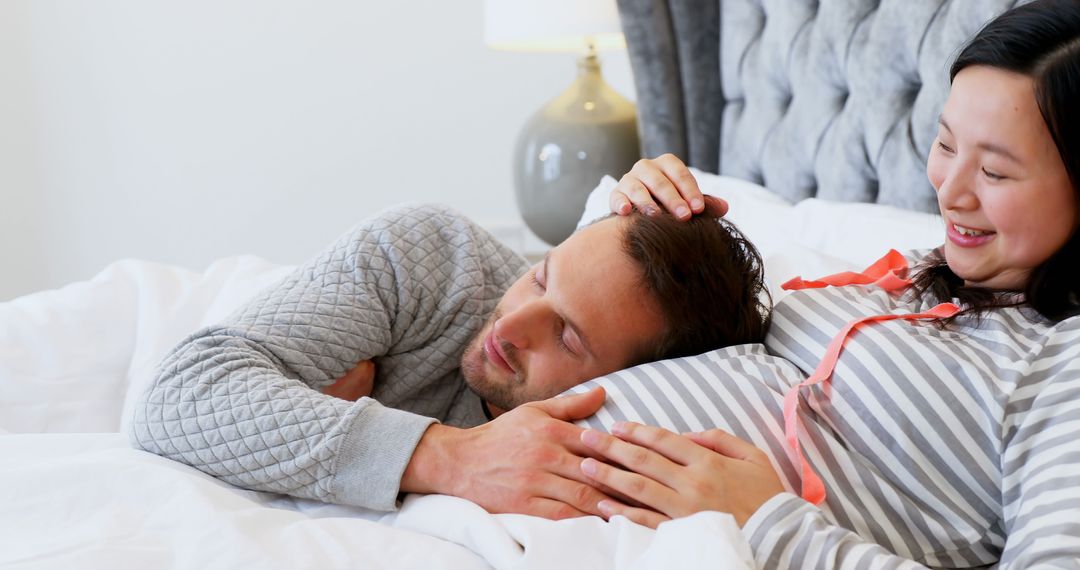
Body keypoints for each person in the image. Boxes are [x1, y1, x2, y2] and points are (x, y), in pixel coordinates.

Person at [577, 0, 1080, 566]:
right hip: (512, 447)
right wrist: (641, 225)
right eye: (945, 145)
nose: (951, 191)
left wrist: (768, 523)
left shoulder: (1064, 359)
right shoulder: (910, 275)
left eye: (994, 171)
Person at [128, 201, 771, 520]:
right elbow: (176, 397)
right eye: (541, 278)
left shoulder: (624, 441)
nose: (510, 323)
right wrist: (447, 458)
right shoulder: (433, 260)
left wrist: (318, 422)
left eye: (569, 338)